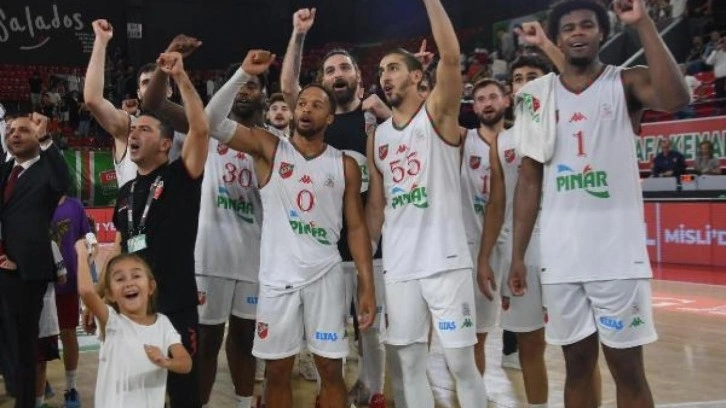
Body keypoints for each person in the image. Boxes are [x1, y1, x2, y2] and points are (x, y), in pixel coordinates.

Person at [509, 0, 689, 406]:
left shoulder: (625, 83)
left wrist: (642, 23)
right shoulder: (537, 97)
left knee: (628, 369)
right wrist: (518, 254)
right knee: (576, 365)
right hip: (562, 257)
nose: (578, 32)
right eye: (568, 27)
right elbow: (529, 181)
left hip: (616, 256)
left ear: (602, 33)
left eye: (586, 25)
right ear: (557, 39)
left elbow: (676, 98)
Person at [206, 49, 376, 408]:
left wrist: (366, 284)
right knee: (277, 372)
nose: (306, 109)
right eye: (302, 104)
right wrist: (241, 73)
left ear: (330, 117)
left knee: (331, 371)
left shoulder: (344, 164)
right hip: (276, 280)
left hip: (325, 276)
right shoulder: (269, 147)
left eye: (317, 105)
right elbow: (212, 122)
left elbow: (357, 228)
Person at [366, 0, 488, 407]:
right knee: (408, 363)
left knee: (460, 363)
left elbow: (451, 57)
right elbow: (376, 209)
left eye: (393, 68)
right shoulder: (378, 137)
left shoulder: (437, 115)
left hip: (445, 260)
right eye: (381, 70)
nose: (385, 76)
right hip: (400, 266)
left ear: (418, 75)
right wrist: (366, 267)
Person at [280, 9, 391, 406]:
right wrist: (298, 35)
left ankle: (372, 389)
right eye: (329, 70)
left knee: (370, 326)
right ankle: (332, 392)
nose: (337, 74)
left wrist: (388, 114)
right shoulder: (316, 120)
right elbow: (288, 87)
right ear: (322, 81)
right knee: (329, 329)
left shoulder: (376, 118)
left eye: (344, 67)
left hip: (369, 242)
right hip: (323, 246)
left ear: (358, 75)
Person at [111, 50, 209, 408]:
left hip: (176, 306)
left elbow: (200, 129)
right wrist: (105, 296)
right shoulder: (125, 193)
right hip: (135, 309)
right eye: (133, 129)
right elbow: (120, 246)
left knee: (183, 394)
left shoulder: (181, 176)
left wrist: (180, 76)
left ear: (166, 144)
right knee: (137, 393)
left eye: (145, 129)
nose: (134, 133)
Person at [192, 62, 273, 408]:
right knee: (207, 341)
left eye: (252, 85)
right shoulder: (210, 133)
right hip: (210, 257)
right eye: (239, 85)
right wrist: (241, 73)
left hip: (254, 258)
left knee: (245, 340)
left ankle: (243, 403)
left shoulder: (273, 141)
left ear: (264, 95)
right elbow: (208, 117)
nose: (244, 91)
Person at [478, 56, 555, 408]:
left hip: (563, 245)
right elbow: (496, 204)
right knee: (529, 345)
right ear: (512, 91)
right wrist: (484, 257)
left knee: (581, 348)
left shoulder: (561, 125)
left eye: (533, 77)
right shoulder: (502, 142)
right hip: (519, 252)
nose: (525, 83)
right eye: (519, 78)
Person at [0, 112, 70, 408]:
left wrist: (45, 139)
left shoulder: (47, 171)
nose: (14, 134)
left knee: (24, 344)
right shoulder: (5, 170)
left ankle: (26, 401)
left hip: (27, 272)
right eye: (10, 130)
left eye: (23, 130)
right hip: (3, 265)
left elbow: (64, 180)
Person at [76, 244, 192, 408]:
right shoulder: (112, 322)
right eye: (120, 279)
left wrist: (166, 362)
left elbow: (186, 363)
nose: (129, 283)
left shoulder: (163, 323)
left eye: (136, 276)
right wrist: (82, 253)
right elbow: (87, 291)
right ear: (110, 294)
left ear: (151, 287)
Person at [84, 20, 185, 187]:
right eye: (146, 83)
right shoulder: (129, 127)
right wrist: (101, 41)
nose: (152, 87)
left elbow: (203, 125)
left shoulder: (183, 129)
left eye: (158, 83)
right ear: (138, 93)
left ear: (169, 90)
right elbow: (93, 100)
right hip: (132, 203)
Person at [459, 78, 510, 377]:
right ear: (474, 107)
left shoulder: (520, 141)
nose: (487, 103)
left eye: (493, 97)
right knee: (468, 337)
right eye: (480, 99)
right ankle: (470, 393)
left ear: (506, 100)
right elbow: (428, 118)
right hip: (470, 249)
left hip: (510, 248)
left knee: (486, 336)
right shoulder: (463, 140)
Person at [49, 195, 92, 408]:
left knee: (68, 333)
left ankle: (71, 387)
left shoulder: (74, 206)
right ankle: (39, 382)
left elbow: (86, 238)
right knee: (35, 337)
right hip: (39, 283)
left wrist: (89, 252)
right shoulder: (33, 199)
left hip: (68, 283)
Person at [35, 242, 66, 408]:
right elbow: (62, 278)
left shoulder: (10, 243)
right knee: (39, 364)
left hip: (17, 315)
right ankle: (38, 403)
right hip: (44, 316)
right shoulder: (49, 244)